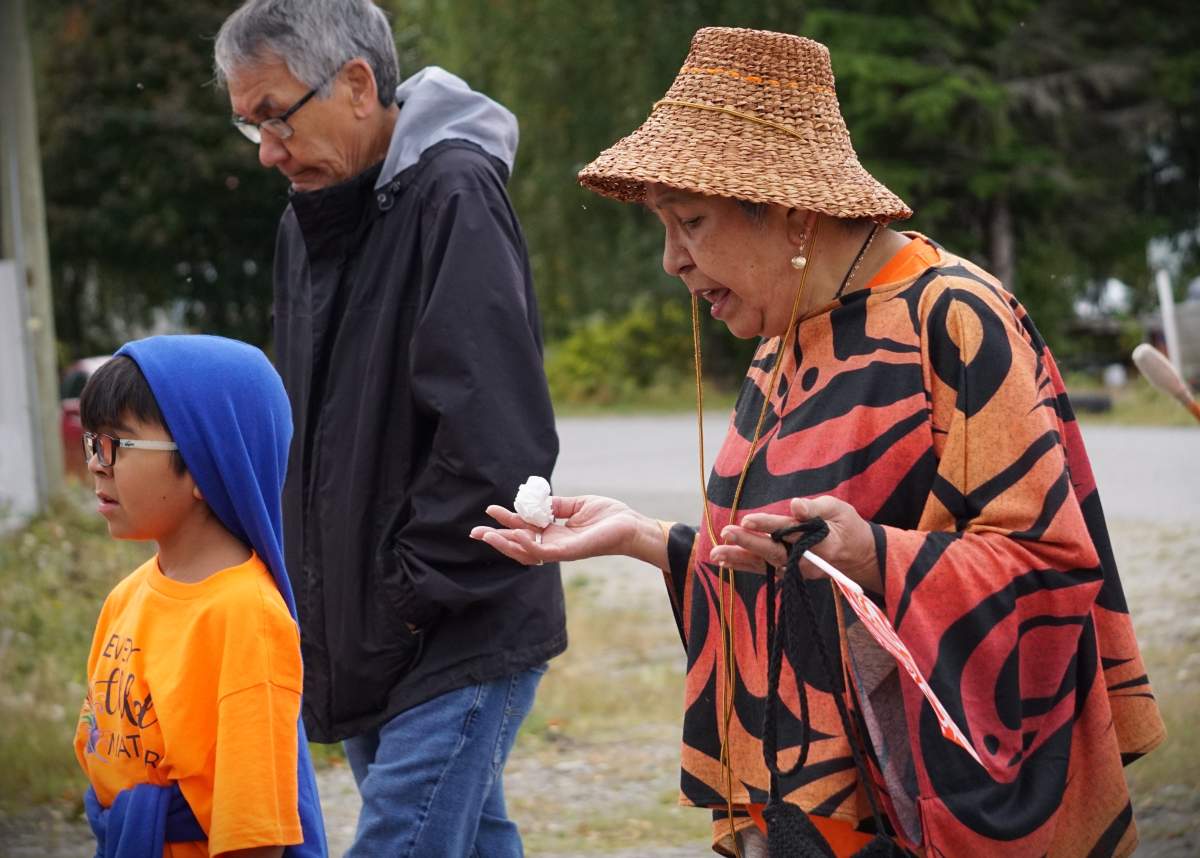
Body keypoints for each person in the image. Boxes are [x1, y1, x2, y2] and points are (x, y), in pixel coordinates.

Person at [472, 26, 1164, 858]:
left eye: (690, 221)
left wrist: (872, 554)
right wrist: (649, 541)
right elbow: (785, 568)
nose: (671, 262)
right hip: (812, 815)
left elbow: (1049, 572)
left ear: (795, 214)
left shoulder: (953, 320)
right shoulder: (783, 334)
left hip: (938, 813)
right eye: (664, 227)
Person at [213, 2, 565, 855]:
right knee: (469, 838)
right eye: (246, 124)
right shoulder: (310, 220)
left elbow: (500, 440)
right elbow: (308, 438)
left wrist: (404, 598)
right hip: (373, 627)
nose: (266, 150)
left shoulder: (453, 193)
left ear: (359, 83)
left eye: (274, 116)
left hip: (452, 621)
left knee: (400, 840)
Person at [74, 335, 325, 857]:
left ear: (207, 464)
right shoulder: (126, 598)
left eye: (116, 443)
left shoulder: (246, 617)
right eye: (91, 442)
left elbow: (254, 839)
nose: (97, 464)